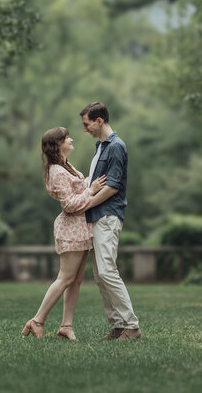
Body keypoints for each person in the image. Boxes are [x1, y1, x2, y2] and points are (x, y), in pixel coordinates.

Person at [21, 127, 107, 341]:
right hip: (71, 229)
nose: (71, 139)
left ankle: (66, 326)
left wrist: (90, 184)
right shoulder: (57, 171)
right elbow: (68, 204)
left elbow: (78, 190)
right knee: (65, 277)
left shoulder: (65, 167)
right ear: (57, 144)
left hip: (81, 227)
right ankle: (37, 321)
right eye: (67, 138)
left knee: (76, 280)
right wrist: (91, 190)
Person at [80, 101, 141, 340]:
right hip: (97, 216)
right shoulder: (101, 147)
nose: (85, 130)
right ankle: (118, 325)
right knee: (99, 275)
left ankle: (132, 326)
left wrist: (85, 203)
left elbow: (113, 187)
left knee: (107, 271)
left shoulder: (116, 146)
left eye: (87, 125)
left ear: (99, 121)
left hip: (108, 216)